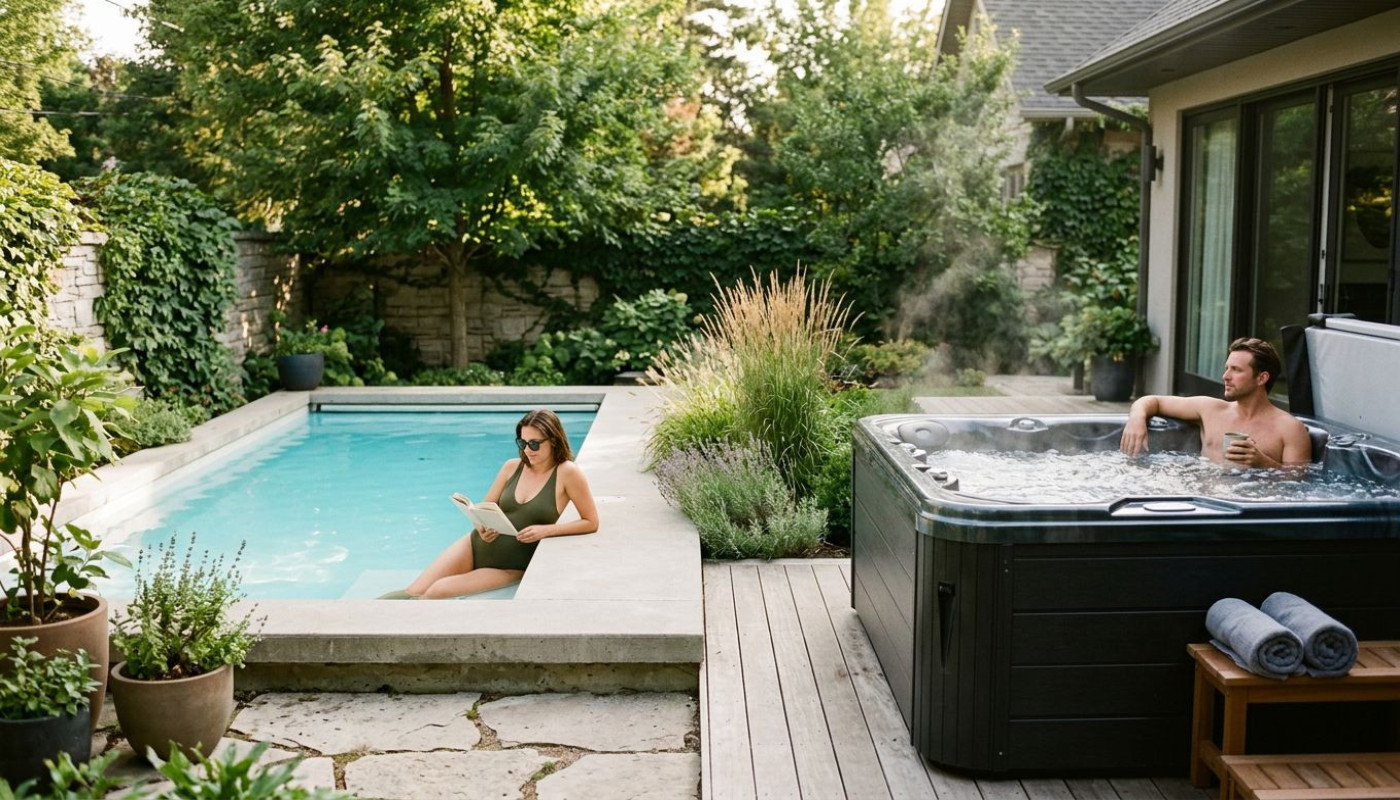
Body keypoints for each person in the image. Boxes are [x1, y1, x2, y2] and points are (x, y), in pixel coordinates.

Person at [387, 408, 599, 599]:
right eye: (522, 443)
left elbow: (591, 521)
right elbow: (484, 508)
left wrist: (546, 531)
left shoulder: (568, 473)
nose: (527, 450)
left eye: (534, 443)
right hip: (476, 544)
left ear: (553, 440)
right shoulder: (511, 467)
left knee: (436, 591)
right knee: (412, 592)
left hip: (512, 565)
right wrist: (481, 527)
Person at [1119, 337, 1312, 469]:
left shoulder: (1290, 429)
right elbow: (1152, 401)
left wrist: (1262, 462)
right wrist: (1137, 418)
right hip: (1203, 502)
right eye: (1227, 368)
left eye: (1236, 370)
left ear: (1261, 378)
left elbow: (1299, 486)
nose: (1225, 376)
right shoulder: (1210, 410)